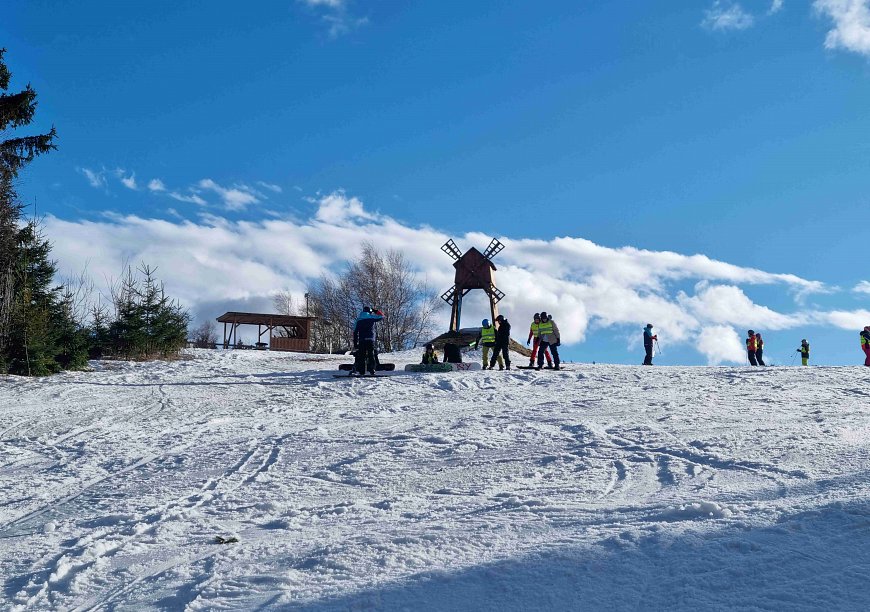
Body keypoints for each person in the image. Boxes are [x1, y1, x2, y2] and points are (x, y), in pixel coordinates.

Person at [353, 306, 383, 376]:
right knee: (371, 354)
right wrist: (375, 311)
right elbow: (381, 316)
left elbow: (355, 332)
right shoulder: (371, 317)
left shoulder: (358, 320)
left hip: (362, 340)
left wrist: (355, 343)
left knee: (361, 356)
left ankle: (362, 371)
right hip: (370, 339)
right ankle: (372, 370)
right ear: (370, 311)